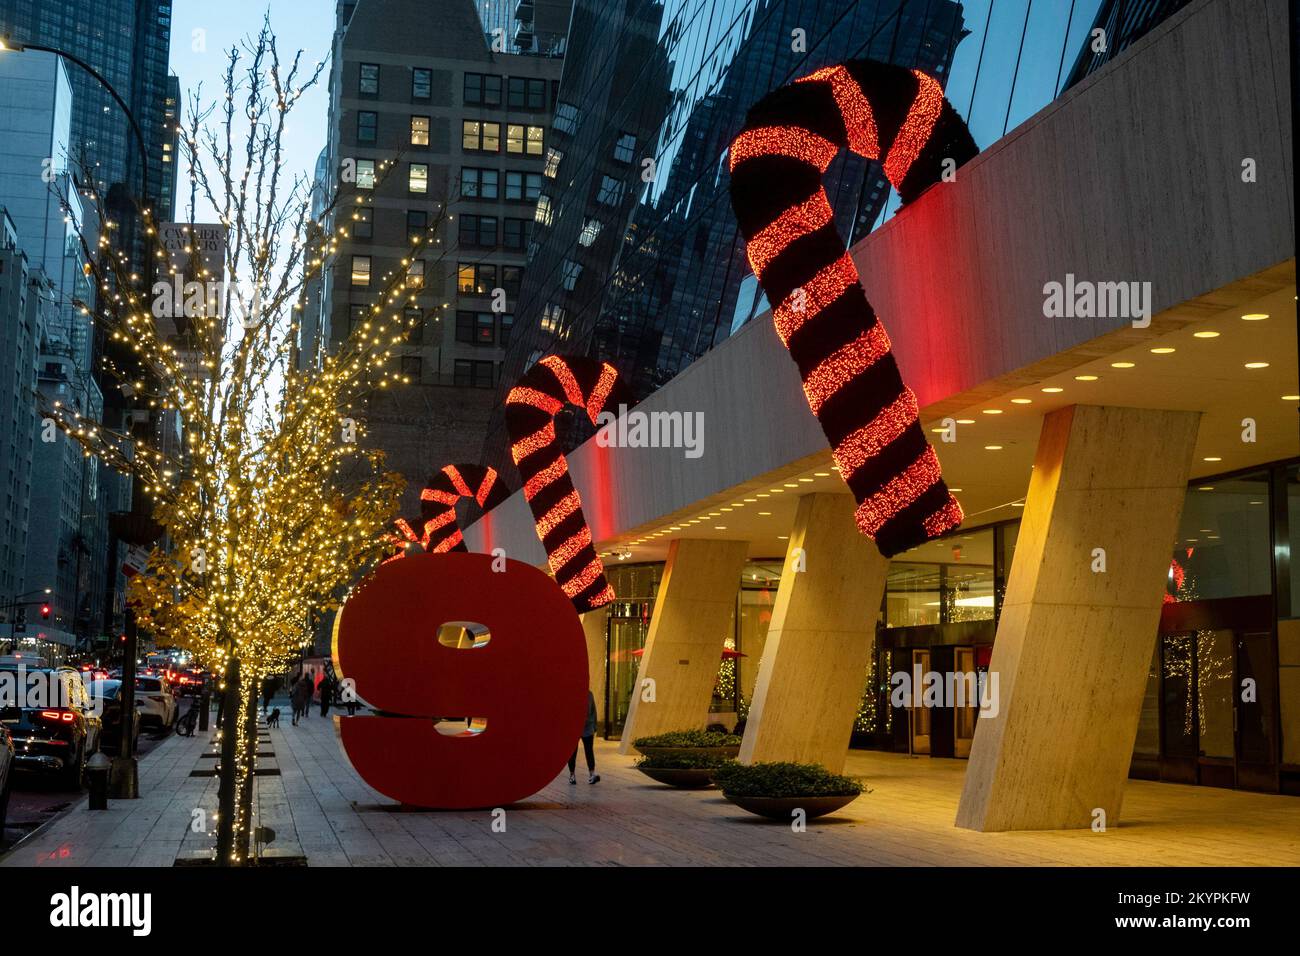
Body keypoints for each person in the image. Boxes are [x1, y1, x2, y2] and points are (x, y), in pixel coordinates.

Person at [568, 690, 600, 785]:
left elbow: (593, 711)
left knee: (589, 750)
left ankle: (592, 774)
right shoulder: (571, 694)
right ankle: (572, 775)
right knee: (572, 752)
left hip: (588, 727)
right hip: (574, 727)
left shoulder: (589, 694)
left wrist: (594, 726)